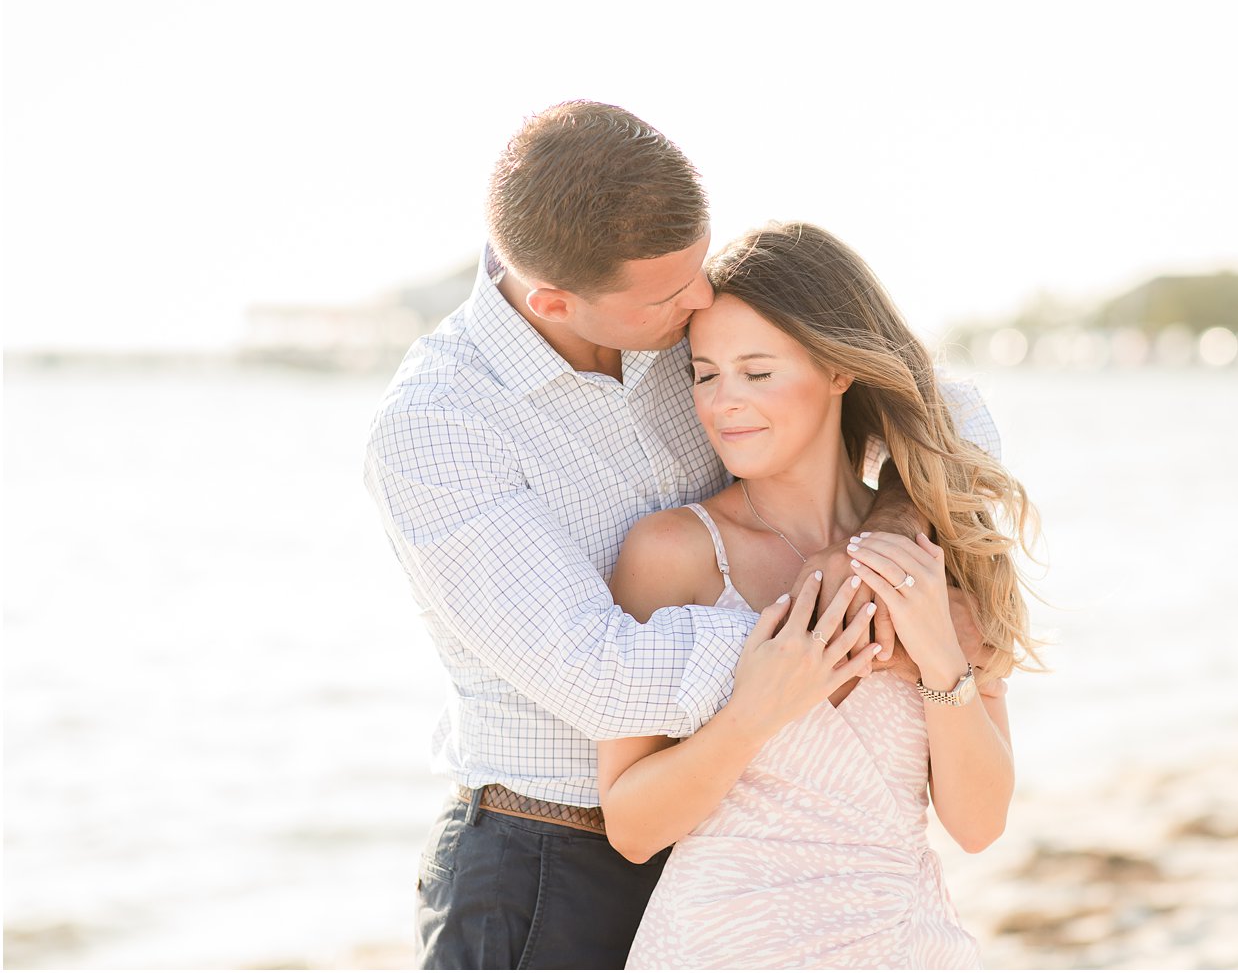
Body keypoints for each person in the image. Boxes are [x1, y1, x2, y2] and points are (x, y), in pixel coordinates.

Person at [363, 101, 1002, 970]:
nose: (702, 300)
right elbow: (598, 671)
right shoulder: (440, 425)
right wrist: (847, 626)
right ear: (554, 299)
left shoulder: (679, 318)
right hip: (547, 862)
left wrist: (891, 529)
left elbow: (936, 401)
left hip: (761, 862)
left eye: (699, 269)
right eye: (675, 295)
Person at [599, 222, 1042, 969]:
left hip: (902, 944)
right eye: (706, 374)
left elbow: (979, 823)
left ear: (840, 370)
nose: (723, 403)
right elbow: (632, 825)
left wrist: (937, 652)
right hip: (719, 948)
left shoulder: (940, 550)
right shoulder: (672, 552)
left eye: (757, 371)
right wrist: (756, 711)